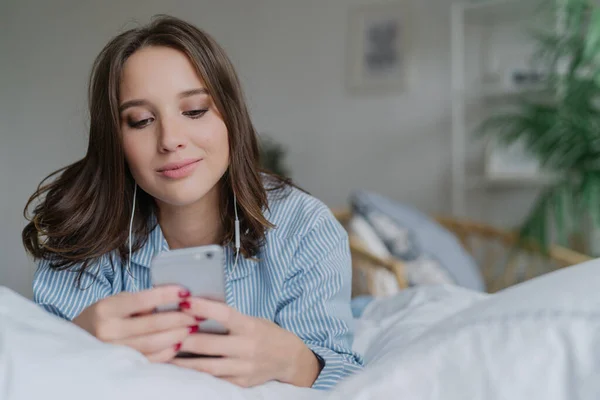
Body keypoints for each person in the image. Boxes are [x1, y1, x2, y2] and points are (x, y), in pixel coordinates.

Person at [21, 15, 363, 390]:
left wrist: (293, 360)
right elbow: (28, 375)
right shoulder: (83, 230)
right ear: (115, 140)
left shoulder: (304, 227)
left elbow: (348, 379)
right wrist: (75, 340)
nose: (170, 139)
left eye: (195, 111)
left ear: (231, 116)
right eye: (141, 120)